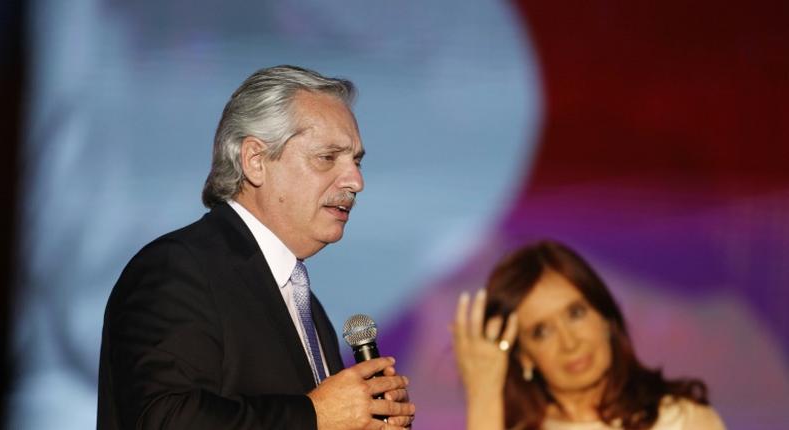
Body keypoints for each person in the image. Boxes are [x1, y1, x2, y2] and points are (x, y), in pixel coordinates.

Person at [97, 65, 415, 429]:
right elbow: (164, 419)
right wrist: (315, 416)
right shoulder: (177, 268)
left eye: (356, 161)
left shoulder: (305, 303)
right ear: (255, 161)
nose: (356, 180)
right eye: (328, 157)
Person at [452, 240, 725, 430]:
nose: (570, 343)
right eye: (541, 331)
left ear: (605, 316)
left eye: (576, 314)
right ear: (524, 357)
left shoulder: (680, 421)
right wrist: (483, 392)